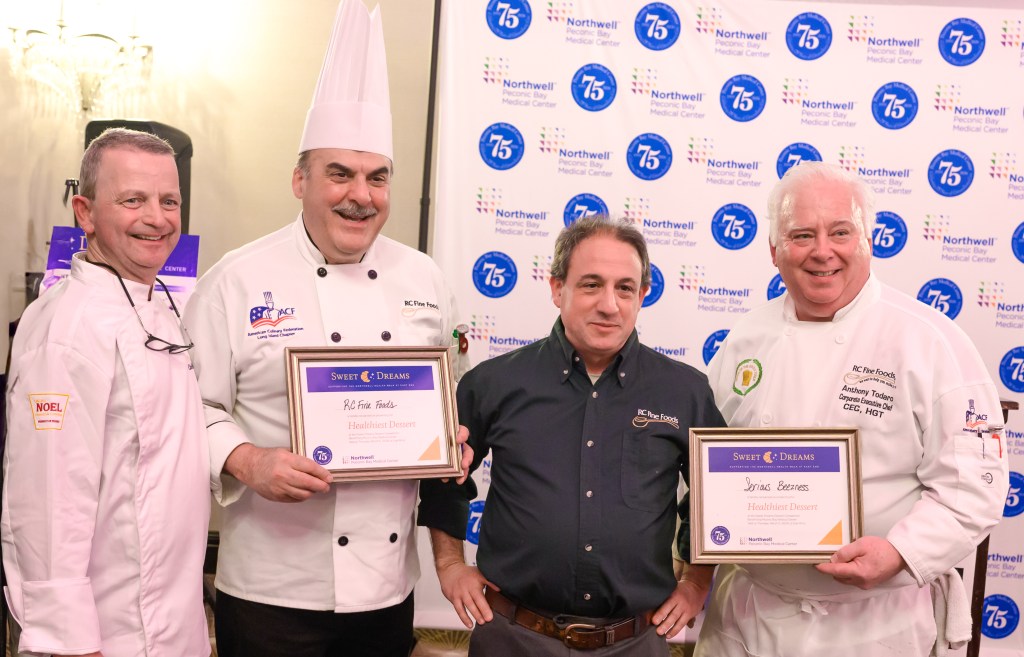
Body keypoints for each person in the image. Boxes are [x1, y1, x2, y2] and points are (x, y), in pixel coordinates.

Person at [182, 2, 470, 655]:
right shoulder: (237, 278)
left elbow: (448, 399)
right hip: (271, 587)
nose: (359, 195)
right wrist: (246, 458)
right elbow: (187, 406)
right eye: (339, 173)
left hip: (386, 589)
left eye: (377, 177)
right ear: (300, 179)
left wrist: (448, 438)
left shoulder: (425, 278)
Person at [697, 161, 1010, 657]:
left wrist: (899, 552)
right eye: (802, 235)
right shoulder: (745, 338)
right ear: (775, 250)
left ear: (868, 240)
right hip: (747, 617)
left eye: (840, 232)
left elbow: (975, 486)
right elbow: (703, 469)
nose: (823, 251)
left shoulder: (929, 341)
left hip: (873, 628)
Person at [426, 215, 725, 655]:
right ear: (556, 288)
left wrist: (698, 580)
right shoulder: (493, 384)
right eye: (591, 284)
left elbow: (715, 493)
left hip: (635, 642)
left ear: (642, 295)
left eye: (625, 288)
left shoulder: (685, 391)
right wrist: (450, 564)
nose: (609, 304)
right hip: (512, 637)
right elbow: (443, 476)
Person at [2, 128, 211, 657]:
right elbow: (48, 499)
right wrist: (69, 640)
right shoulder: (65, 331)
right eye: (132, 200)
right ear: (85, 212)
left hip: (171, 620)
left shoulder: (159, 305)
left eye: (169, 201)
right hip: (105, 635)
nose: (157, 218)